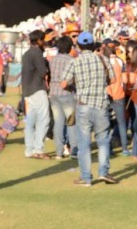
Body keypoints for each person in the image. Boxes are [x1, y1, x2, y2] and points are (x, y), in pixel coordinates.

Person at [61, 31, 117, 186]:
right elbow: (113, 79)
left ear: (78, 46)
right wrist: (100, 84)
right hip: (101, 104)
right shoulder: (103, 59)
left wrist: (76, 88)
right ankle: (103, 172)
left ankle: (86, 177)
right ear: (93, 45)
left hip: (83, 105)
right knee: (103, 141)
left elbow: (63, 84)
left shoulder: (74, 61)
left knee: (84, 143)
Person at [21, 30, 52, 159]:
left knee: (30, 123)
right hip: (38, 89)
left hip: (28, 91)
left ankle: (29, 150)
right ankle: (38, 149)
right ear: (38, 40)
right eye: (43, 39)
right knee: (44, 120)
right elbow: (42, 72)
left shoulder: (26, 53)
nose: (44, 42)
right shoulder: (37, 53)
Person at [48, 36, 77, 160]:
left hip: (53, 92)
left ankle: (59, 152)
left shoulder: (52, 60)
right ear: (70, 47)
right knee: (71, 123)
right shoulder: (71, 60)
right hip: (66, 93)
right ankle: (74, 150)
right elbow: (72, 79)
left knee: (58, 123)